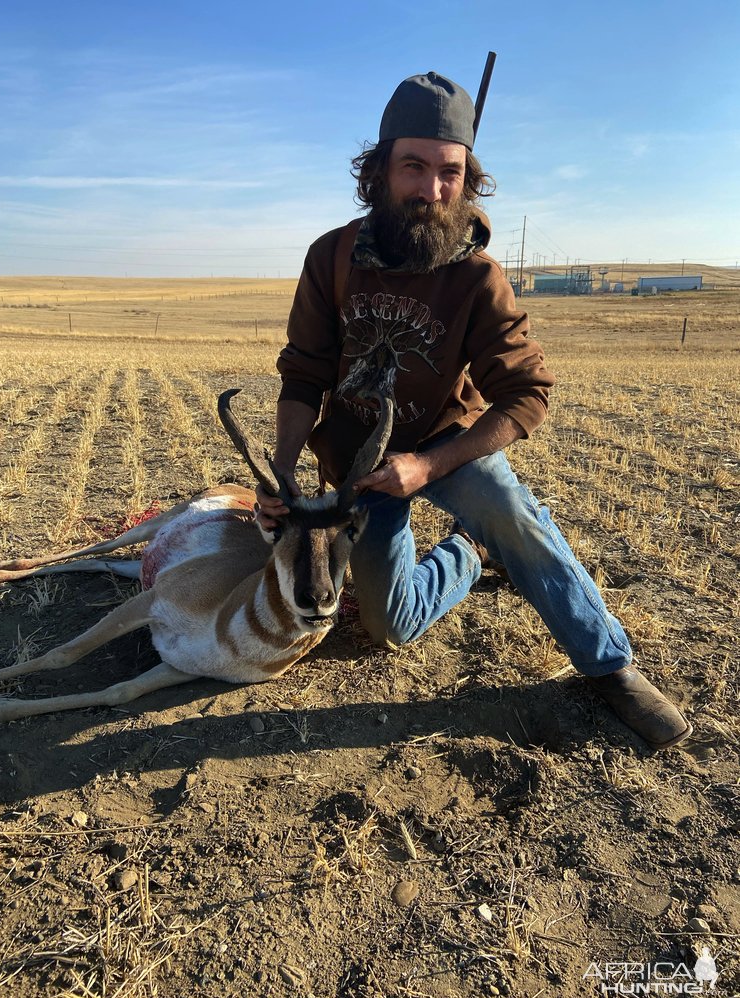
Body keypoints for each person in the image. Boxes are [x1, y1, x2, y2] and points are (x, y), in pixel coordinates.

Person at [255, 71, 691, 750]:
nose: (432, 190)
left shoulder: (476, 276)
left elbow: (527, 392)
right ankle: (468, 552)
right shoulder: (333, 258)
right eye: (414, 167)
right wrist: (281, 478)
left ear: (468, 177)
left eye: (449, 171)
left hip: (447, 449)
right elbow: (304, 374)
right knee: (392, 628)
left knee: (512, 512)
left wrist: (428, 465)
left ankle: (612, 665)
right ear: (377, 172)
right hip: (355, 468)